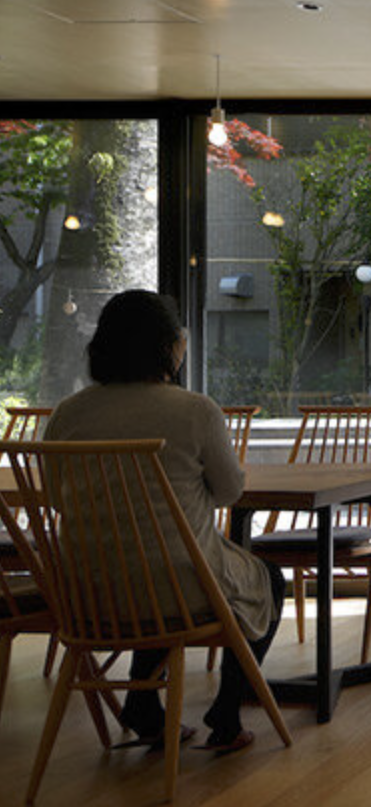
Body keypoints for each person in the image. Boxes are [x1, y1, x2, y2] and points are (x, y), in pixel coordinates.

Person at [43, 289, 284, 755]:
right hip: (175, 588)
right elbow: (232, 491)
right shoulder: (193, 411)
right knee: (263, 579)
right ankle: (227, 714)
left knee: (145, 567)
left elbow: (55, 498)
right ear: (169, 346)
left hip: (87, 593)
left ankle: (145, 709)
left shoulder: (67, 415)